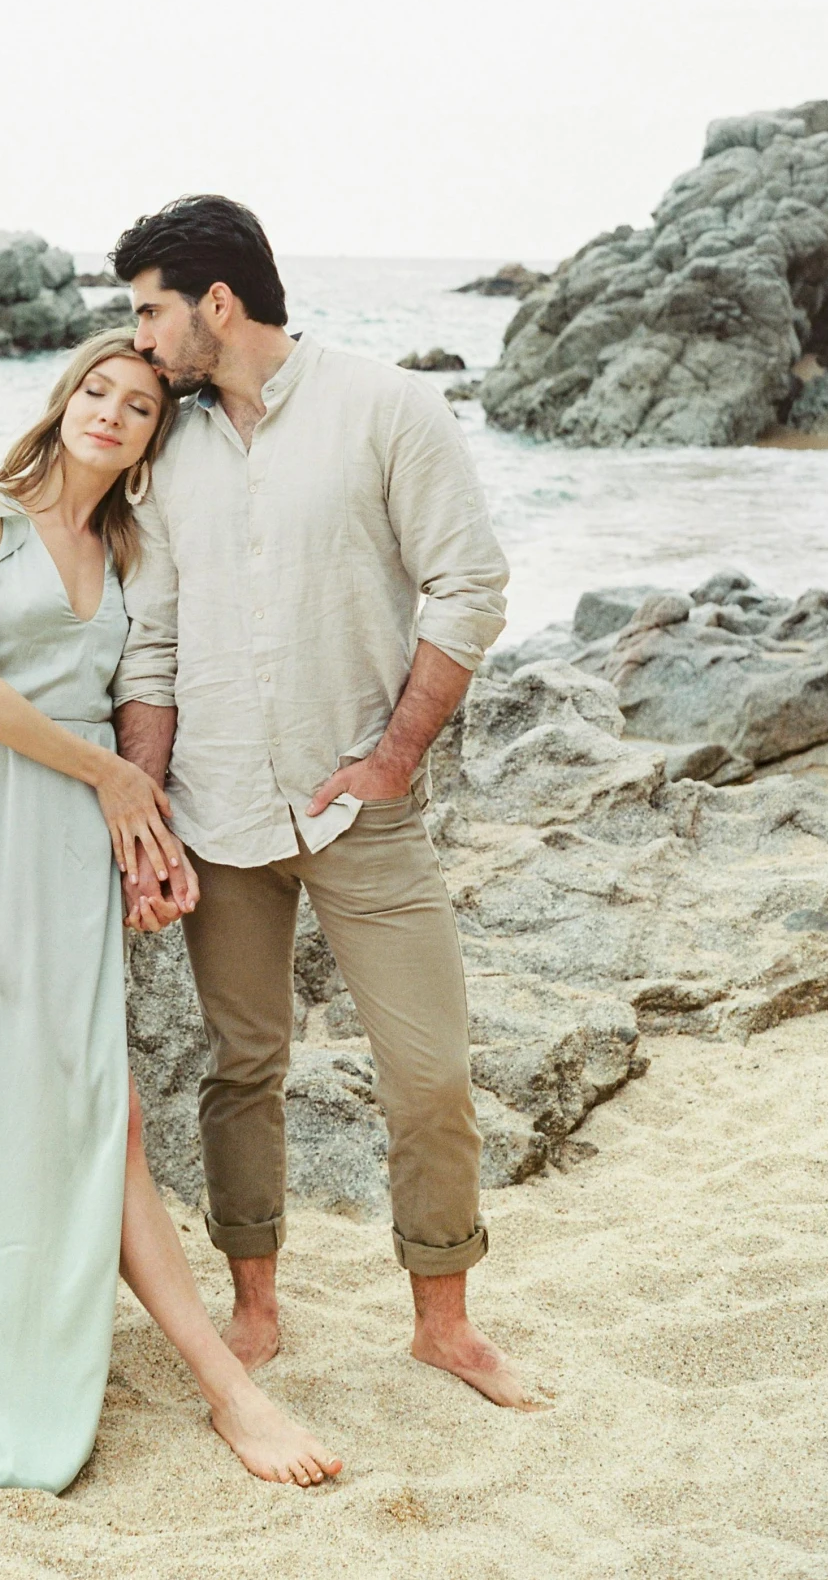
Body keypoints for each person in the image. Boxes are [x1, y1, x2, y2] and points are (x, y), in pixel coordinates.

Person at [0, 330, 341, 1491]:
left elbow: (141, 699)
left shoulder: (130, 545)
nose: (109, 413)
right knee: (55, 1103)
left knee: (95, 1107)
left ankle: (187, 1379)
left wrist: (143, 839)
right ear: (63, 401)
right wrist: (108, 781)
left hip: (78, 859)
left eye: (138, 407)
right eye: (96, 391)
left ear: (150, 442)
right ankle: (226, 1393)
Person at [109, 196, 540, 1411]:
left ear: (217, 303)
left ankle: (443, 1325)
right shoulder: (167, 447)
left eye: (148, 310)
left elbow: (468, 586)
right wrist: (144, 810)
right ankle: (254, 1308)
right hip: (213, 818)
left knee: (429, 1073)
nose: (138, 340)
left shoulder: (386, 407)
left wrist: (391, 759)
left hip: (359, 812)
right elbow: (151, 644)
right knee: (241, 1066)